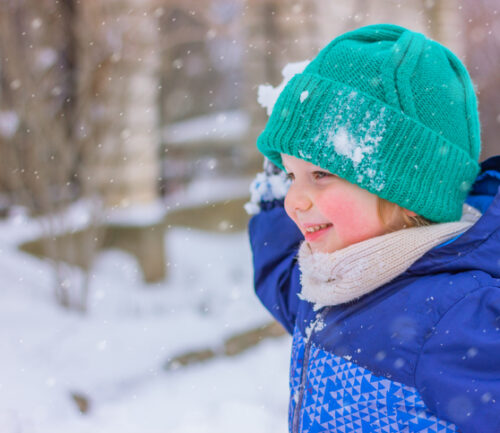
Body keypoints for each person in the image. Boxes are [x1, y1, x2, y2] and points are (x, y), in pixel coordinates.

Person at [247, 23, 500, 433]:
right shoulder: (337, 276)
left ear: (407, 191)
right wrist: (272, 196)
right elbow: (282, 282)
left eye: (321, 174)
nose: (295, 199)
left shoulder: (459, 319)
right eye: (290, 174)